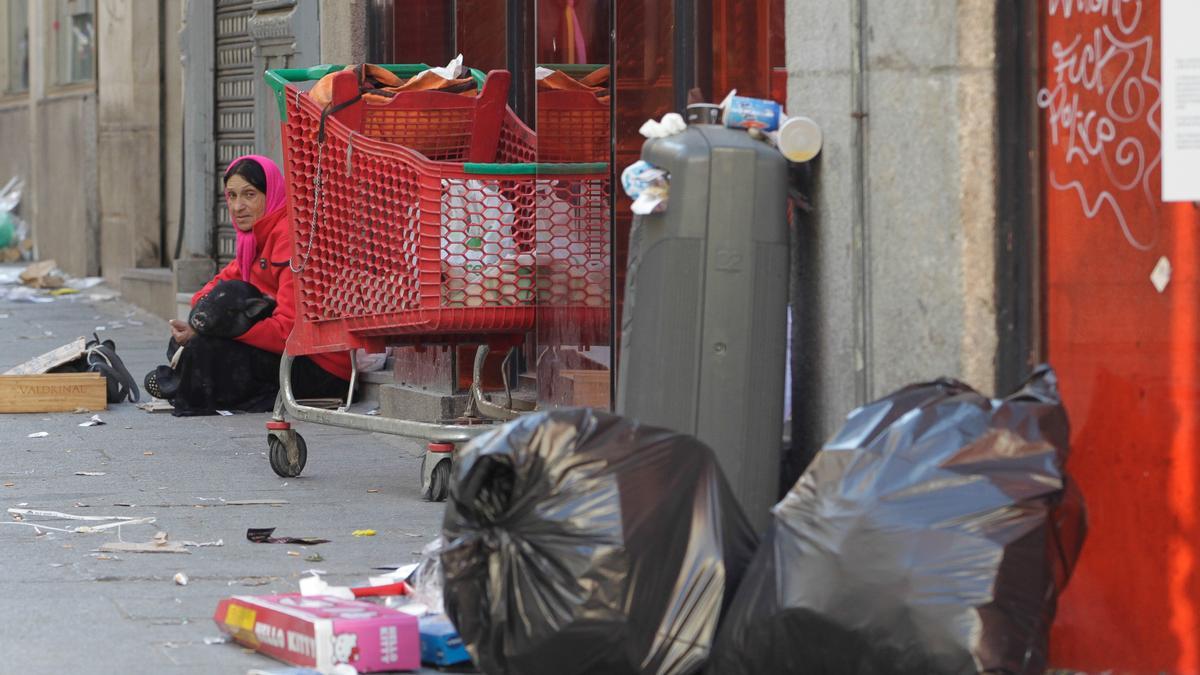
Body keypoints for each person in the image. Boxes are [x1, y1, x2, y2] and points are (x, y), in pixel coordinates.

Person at [144, 155, 352, 415]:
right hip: (282, 351)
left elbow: (288, 329)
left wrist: (226, 327)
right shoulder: (252, 242)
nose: (238, 206)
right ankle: (184, 380)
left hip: (320, 366)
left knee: (205, 349)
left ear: (272, 193)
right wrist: (204, 323)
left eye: (249, 195)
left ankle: (181, 383)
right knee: (190, 341)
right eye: (231, 196)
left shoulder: (290, 237)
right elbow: (207, 294)